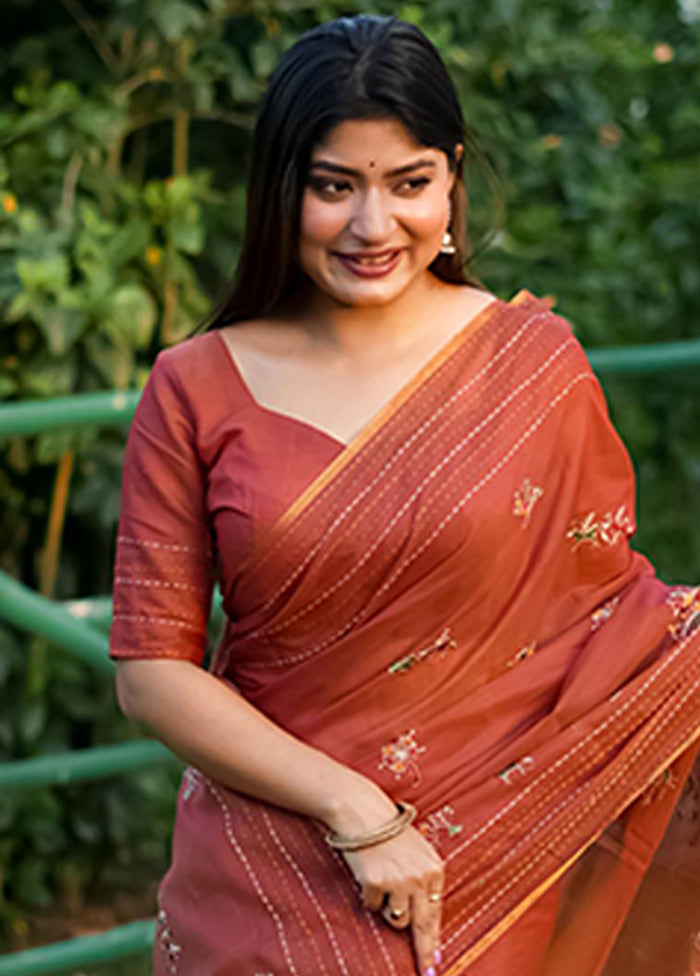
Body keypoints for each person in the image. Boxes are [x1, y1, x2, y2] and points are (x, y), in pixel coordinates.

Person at [109, 13, 700, 976]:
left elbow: (608, 620)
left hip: (505, 860)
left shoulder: (530, 366)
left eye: (410, 183)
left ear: (453, 179)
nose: (374, 227)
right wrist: (357, 810)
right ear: (280, 190)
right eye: (333, 187)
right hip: (272, 864)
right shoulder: (197, 385)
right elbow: (151, 670)